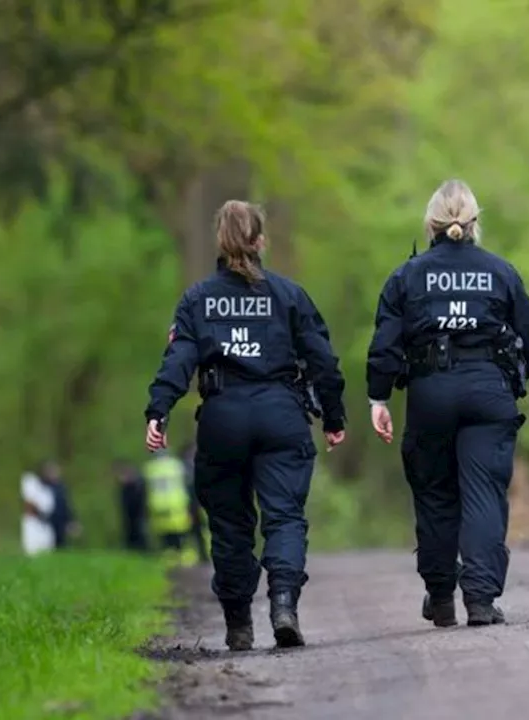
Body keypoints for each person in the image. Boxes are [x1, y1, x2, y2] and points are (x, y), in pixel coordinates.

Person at [144, 199, 347, 651]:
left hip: (223, 420)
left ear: (221, 240)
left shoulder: (198, 300)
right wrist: (334, 417)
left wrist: (158, 410)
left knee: (230, 524)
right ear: (260, 241)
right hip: (281, 417)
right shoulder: (289, 295)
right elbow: (323, 361)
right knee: (285, 517)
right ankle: (282, 603)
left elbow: (178, 360)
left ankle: (238, 623)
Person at [366, 179, 529, 628]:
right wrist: (521, 375)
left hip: (431, 393)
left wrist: (378, 396)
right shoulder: (500, 272)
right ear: (474, 222)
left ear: (431, 224)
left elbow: (385, 345)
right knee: (484, 494)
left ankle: (441, 595)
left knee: (436, 493)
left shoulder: (407, 275)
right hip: (488, 391)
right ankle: (480, 600)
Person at [143, 449, 197, 566]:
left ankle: (171, 556)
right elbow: (188, 484)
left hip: (157, 505)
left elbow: (145, 489)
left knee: (166, 534)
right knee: (181, 532)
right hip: (177, 503)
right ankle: (185, 555)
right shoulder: (177, 466)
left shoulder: (149, 468)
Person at [180, 442, 210, 563]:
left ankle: (205, 555)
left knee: (205, 530)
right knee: (194, 531)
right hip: (190, 504)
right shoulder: (183, 468)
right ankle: (196, 556)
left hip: (203, 503)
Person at [39, 460, 78, 549]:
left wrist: (72, 521)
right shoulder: (42, 488)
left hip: (60, 523)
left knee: (61, 545)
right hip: (47, 522)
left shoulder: (61, 487)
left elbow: (66, 506)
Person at [114, 459, 150, 552]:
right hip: (129, 514)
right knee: (130, 530)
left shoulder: (138, 483)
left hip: (138, 513)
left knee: (140, 531)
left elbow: (140, 499)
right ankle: (132, 549)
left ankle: (143, 550)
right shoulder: (125, 487)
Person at [21, 470, 56, 556]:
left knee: (47, 548)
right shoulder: (30, 482)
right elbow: (30, 503)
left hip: (44, 521)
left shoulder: (47, 491)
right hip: (34, 522)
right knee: (32, 550)